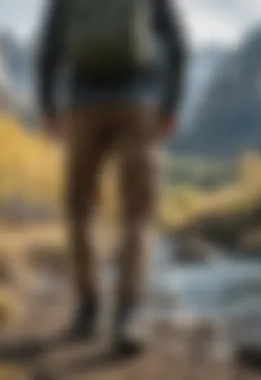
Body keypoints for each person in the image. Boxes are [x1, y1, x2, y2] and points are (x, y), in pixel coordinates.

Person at [36, 0, 188, 357]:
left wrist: (48, 108)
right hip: (138, 104)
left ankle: (88, 309)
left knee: (79, 208)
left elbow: (49, 48)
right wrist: (170, 106)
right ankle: (129, 313)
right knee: (139, 212)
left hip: (81, 106)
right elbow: (177, 44)